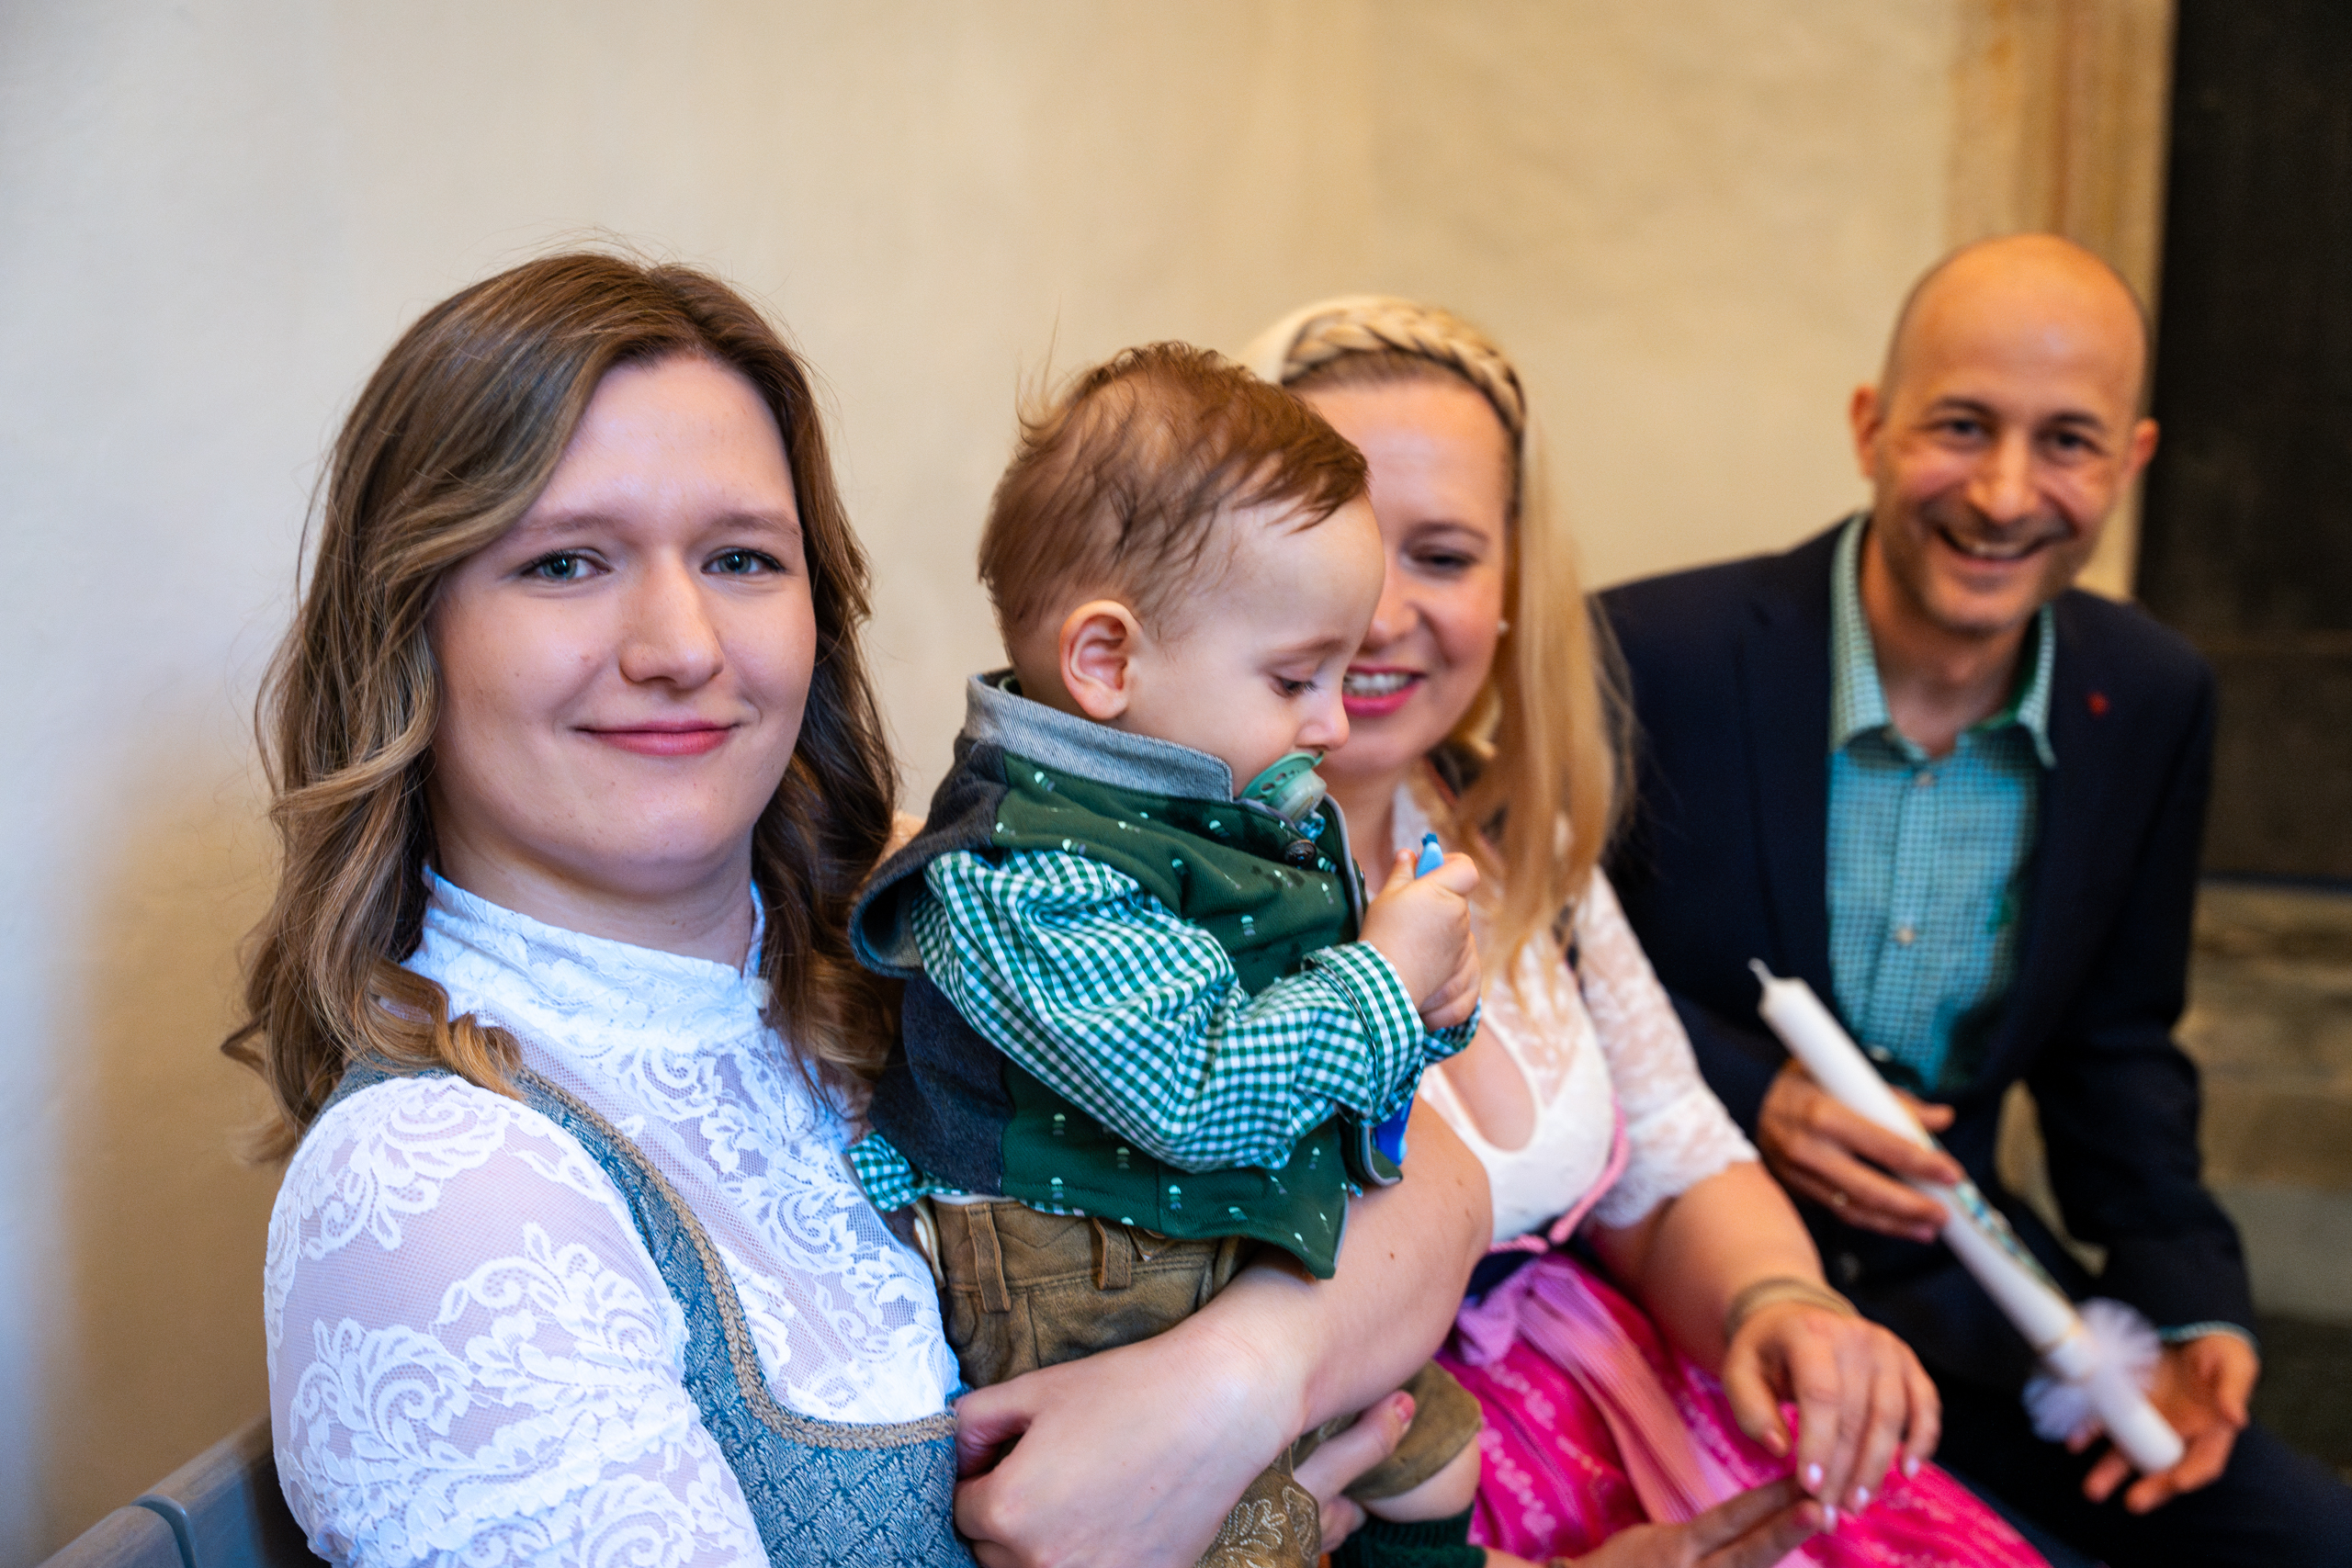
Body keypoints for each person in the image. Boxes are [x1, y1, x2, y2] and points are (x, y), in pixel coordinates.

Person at [234, 254, 1491, 1568]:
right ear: (406, 628)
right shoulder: (440, 1186)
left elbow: (1444, 1182)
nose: (682, 646)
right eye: (564, 563)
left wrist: (1232, 1392)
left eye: (740, 558)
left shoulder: (911, 906)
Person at [1247, 296, 2045, 1568]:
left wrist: (1778, 1302)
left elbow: (1669, 1159)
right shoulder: (1167, 901)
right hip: (1404, 1501)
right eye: (1335, 544)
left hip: (1631, 1396)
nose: (1382, 614)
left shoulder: (1510, 829)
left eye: (1443, 556)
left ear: (1512, 587)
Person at [1599, 233, 2352, 1567]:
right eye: (1961, 426)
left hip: (1968, 1293)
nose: (2005, 494)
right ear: (1870, 426)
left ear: (2132, 460)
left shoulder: (2154, 697)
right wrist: (1756, 1093)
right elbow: (1531, 978)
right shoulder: (1648, 657)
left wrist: (2191, 1300)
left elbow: (2116, 1045)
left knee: (2303, 1539)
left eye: (2068, 442)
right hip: (1679, 1284)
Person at [844, 342, 1491, 1567]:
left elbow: (1323, 1036)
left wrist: (1429, 1000)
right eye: (1297, 676)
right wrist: (1382, 983)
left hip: (1220, 1243)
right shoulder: (1022, 872)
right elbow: (1198, 1094)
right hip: (1087, 1291)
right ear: (1106, 662)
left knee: (1438, 1456)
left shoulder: (1215, 804)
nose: (1332, 720)